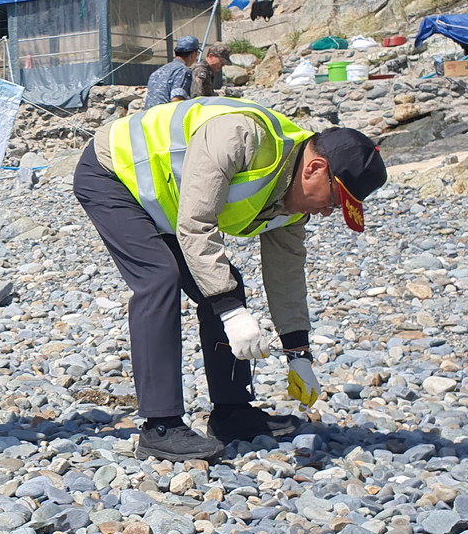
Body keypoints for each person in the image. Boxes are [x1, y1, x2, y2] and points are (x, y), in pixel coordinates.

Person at [73, 96, 387, 462]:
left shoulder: (294, 201)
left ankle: (231, 413)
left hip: (170, 199)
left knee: (226, 285)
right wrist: (231, 312)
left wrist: (297, 353)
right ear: (314, 168)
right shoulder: (240, 136)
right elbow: (196, 225)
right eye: (334, 200)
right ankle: (160, 427)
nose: (330, 211)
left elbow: (286, 273)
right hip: (112, 172)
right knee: (159, 279)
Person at [144, 35, 202, 107]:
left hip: (149, 116)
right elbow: (177, 100)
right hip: (165, 116)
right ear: (193, 54)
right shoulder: (183, 71)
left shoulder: (157, 72)